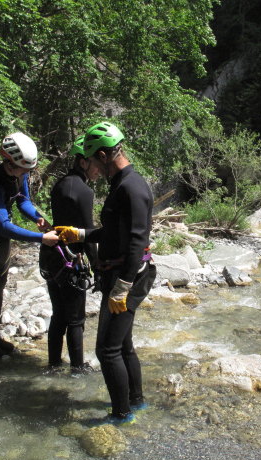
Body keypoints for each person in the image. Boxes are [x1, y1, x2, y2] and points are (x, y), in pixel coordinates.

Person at [56, 122, 156, 425]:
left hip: (129, 275)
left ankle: (121, 415)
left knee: (107, 349)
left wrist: (123, 286)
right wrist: (81, 234)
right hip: (124, 272)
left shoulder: (131, 187)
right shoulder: (122, 184)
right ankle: (135, 402)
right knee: (122, 344)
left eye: (95, 161)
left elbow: (139, 238)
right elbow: (113, 232)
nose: (95, 169)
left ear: (103, 154)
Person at [0, 132, 60, 359]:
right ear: (8, 161)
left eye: (28, 170)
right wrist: (41, 239)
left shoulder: (19, 172)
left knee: (1, 284)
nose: (26, 173)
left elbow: (23, 200)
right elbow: (5, 225)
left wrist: (37, 217)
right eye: (22, 169)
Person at [39, 135, 101, 375]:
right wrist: (96, 265)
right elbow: (86, 233)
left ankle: (53, 364)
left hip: (51, 254)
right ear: (83, 162)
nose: (99, 170)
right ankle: (78, 368)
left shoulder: (60, 184)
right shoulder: (84, 191)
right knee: (75, 318)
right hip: (70, 258)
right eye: (95, 164)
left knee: (58, 314)